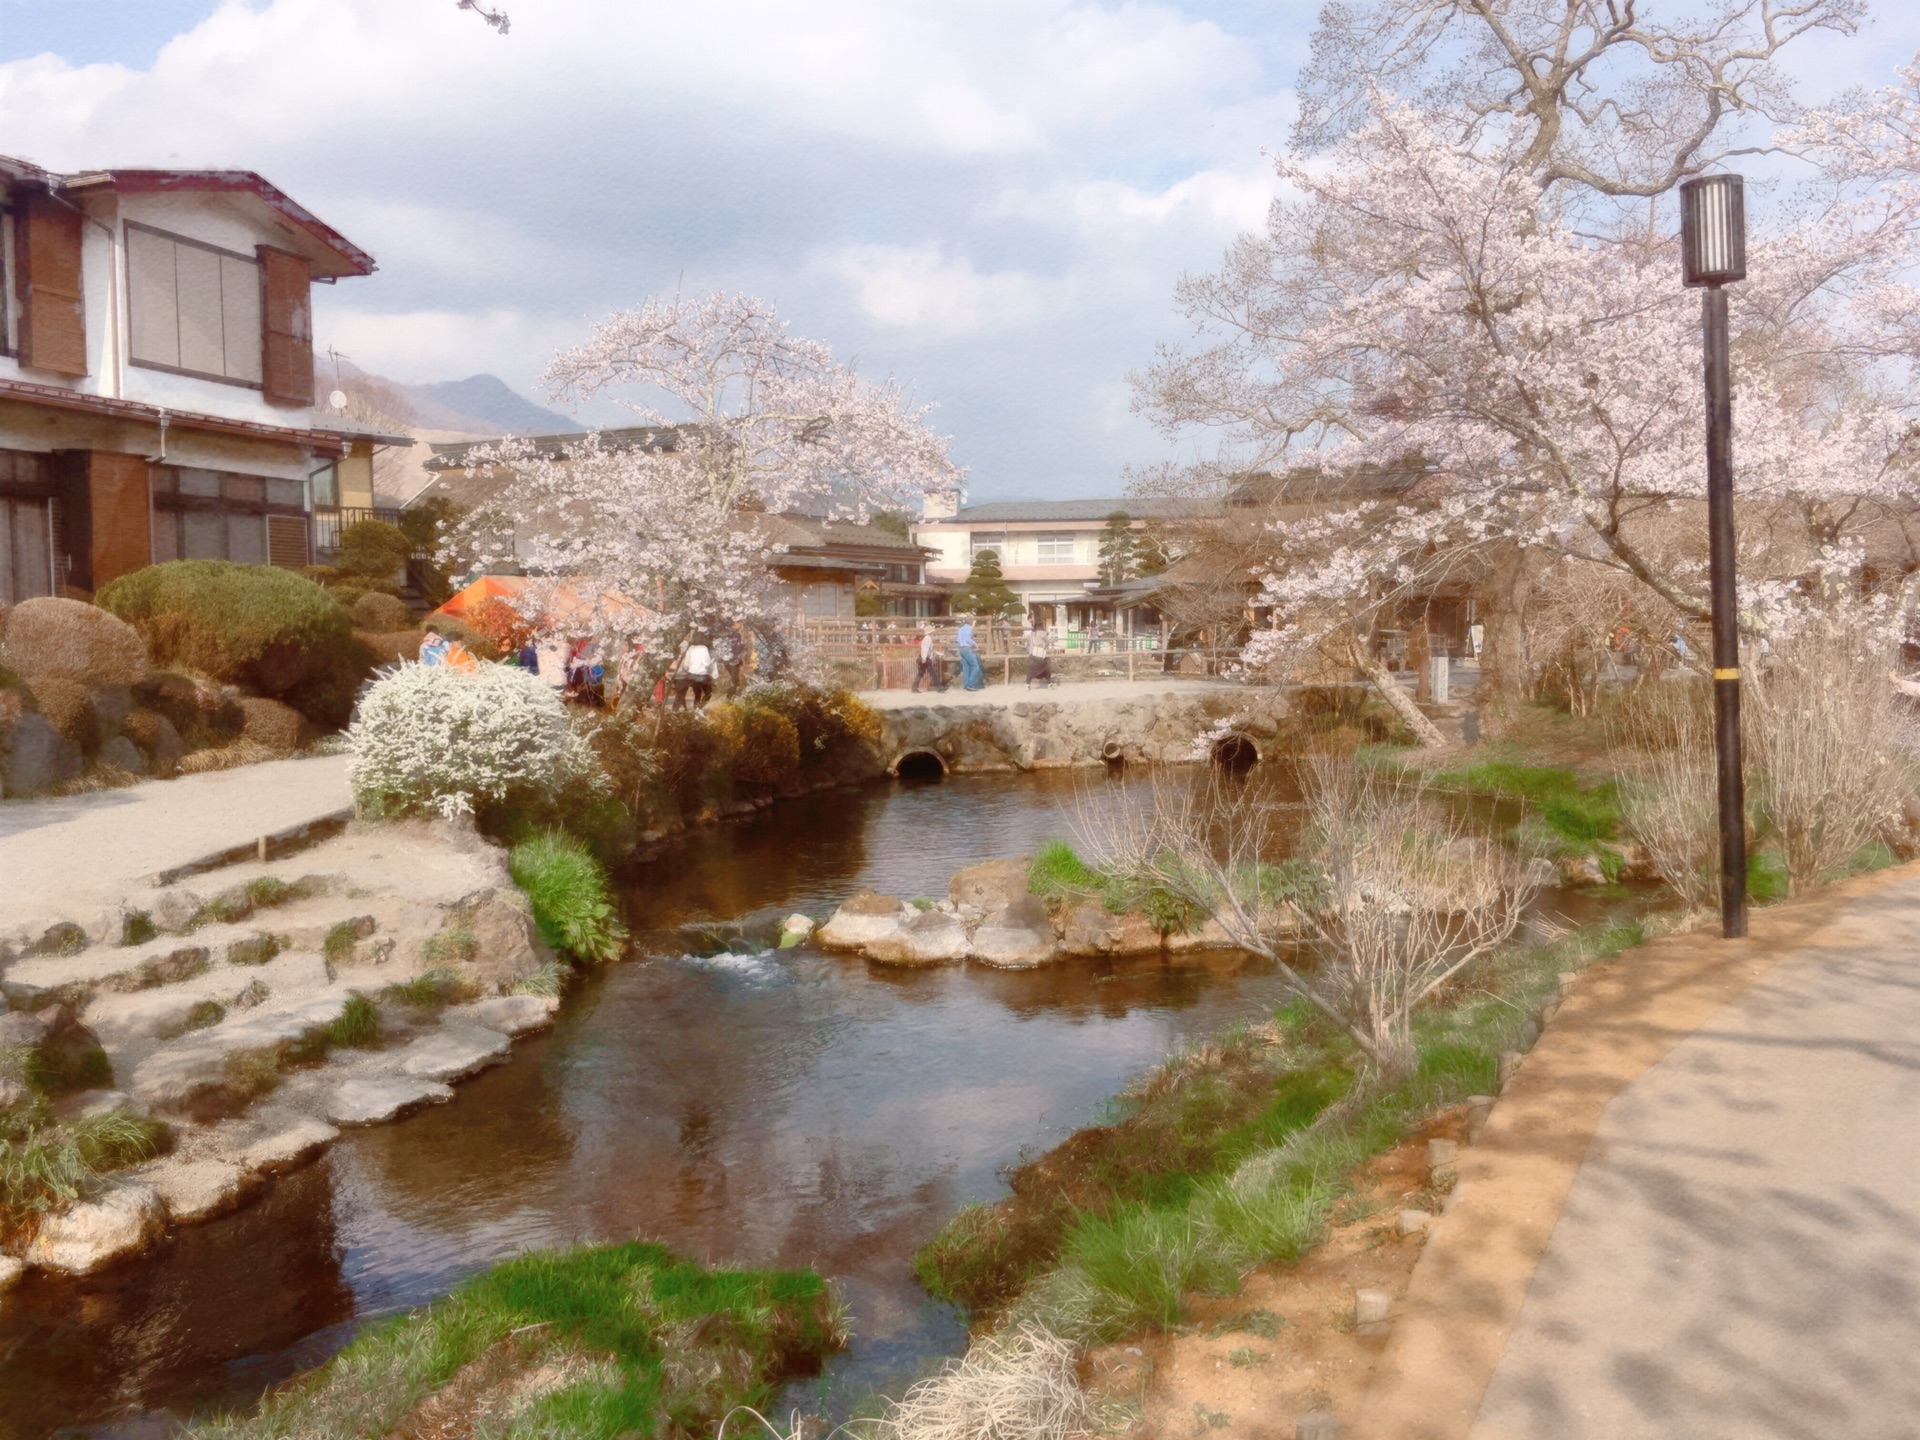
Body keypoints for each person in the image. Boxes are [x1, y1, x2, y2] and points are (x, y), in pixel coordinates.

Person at [677, 635, 716, 709]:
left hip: (691, 674)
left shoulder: (691, 648)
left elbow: (686, 663)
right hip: (702, 675)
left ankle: (696, 709)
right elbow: (707, 663)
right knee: (708, 693)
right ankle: (699, 708)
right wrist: (712, 664)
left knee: (697, 694)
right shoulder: (704, 648)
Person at [911, 628, 947, 693]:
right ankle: (940, 688)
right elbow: (925, 649)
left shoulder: (927, 638)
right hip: (926, 658)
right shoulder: (928, 638)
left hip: (925, 658)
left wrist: (940, 654)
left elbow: (931, 650)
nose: (934, 633)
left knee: (921, 673)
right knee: (932, 674)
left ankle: (914, 688)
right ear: (930, 632)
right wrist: (924, 658)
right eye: (933, 632)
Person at [957, 617, 985, 690]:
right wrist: (974, 644)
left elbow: (958, 640)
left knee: (966, 668)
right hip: (967, 648)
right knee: (975, 665)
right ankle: (971, 684)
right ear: (970, 622)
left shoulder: (960, 629)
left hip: (962, 649)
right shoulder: (970, 628)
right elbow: (968, 639)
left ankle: (966, 685)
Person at [1025, 624, 1054, 688]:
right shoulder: (1043, 633)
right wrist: (1043, 645)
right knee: (1046, 668)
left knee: (1030, 671)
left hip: (1032, 656)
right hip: (1040, 656)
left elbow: (1027, 646)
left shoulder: (1030, 634)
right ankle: (1049, 684)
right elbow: (1047, 642)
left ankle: (1027, 684)